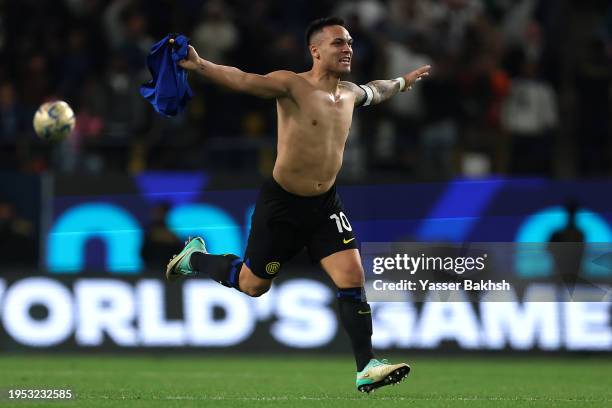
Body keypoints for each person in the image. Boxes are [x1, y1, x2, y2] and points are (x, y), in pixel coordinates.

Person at [166, 17, 430, 393]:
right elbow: (243, 79)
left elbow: (379, 89)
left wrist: (403, 82)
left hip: (325, 204)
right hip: (283, 205)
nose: (348, 48)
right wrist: (201, 65)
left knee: (352, 277)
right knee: (253, 285)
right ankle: (194, 258)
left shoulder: (351, 93)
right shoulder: (291, 85)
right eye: (338, 43)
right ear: (316, 50)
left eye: (350, 42)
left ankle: (366, 365)